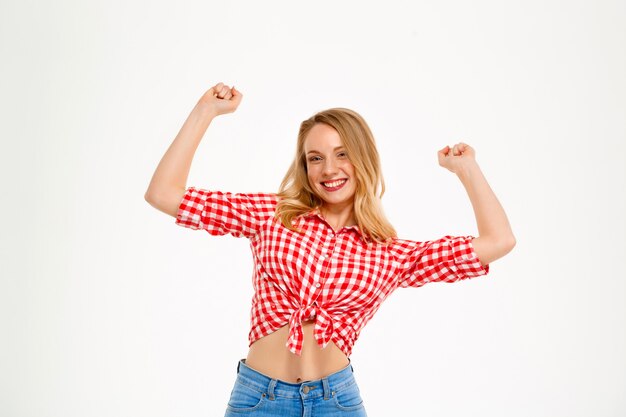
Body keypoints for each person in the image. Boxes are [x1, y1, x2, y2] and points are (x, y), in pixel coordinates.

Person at [144, 82, 516, 416]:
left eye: (342, 154)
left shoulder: (392, 254)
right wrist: (205, 111)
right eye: (315, 158)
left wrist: (467, 169)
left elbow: (498, 241)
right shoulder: (273, 214)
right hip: (259, 399)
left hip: (336, 402)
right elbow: (163, 194)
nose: (328, 169)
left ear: (363, 159)